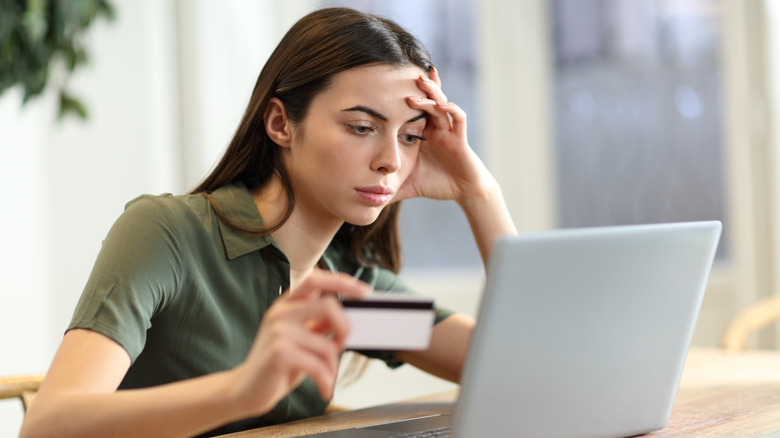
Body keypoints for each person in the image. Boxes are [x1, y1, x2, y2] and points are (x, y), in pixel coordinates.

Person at [20, 7, 517, 438]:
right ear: (281, 123)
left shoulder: (349, 297)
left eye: (410, 137)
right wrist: (242, 390)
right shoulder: (168, 236)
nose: (391, 159)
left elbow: (519, 371)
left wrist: (479, 193)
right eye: (362, 127)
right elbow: (47, 427)